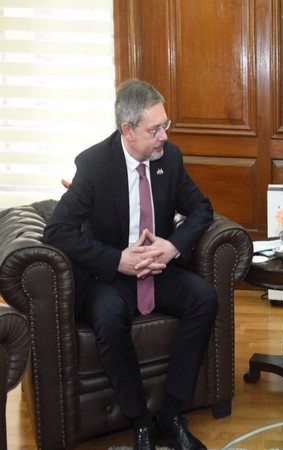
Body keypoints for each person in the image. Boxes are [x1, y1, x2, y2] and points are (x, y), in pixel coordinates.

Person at [44, 79, 218, 450]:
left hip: (159, 268)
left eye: (165, 126)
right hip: (110, 277)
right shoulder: (93, 164)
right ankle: (141, 423)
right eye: (154, 130)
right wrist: (116, 260)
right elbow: (57, 231)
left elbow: (202, 209)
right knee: (108, 317)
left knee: (204, 298)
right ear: (127, 130)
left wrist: (173, 246)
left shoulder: (168, 160)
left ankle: (171, 414)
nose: (163, 138)